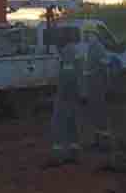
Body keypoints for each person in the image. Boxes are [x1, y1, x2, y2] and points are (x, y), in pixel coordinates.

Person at [47, 24, 88, 166]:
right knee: (71, 122)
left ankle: (59, 155)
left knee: (58, 122)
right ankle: (73, 152)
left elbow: (72, 75)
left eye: (58, 37)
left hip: (66, 94)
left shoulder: (69, 52)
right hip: (70, 94)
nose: (57, 40)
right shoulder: (69, 51)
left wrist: (81, 93)